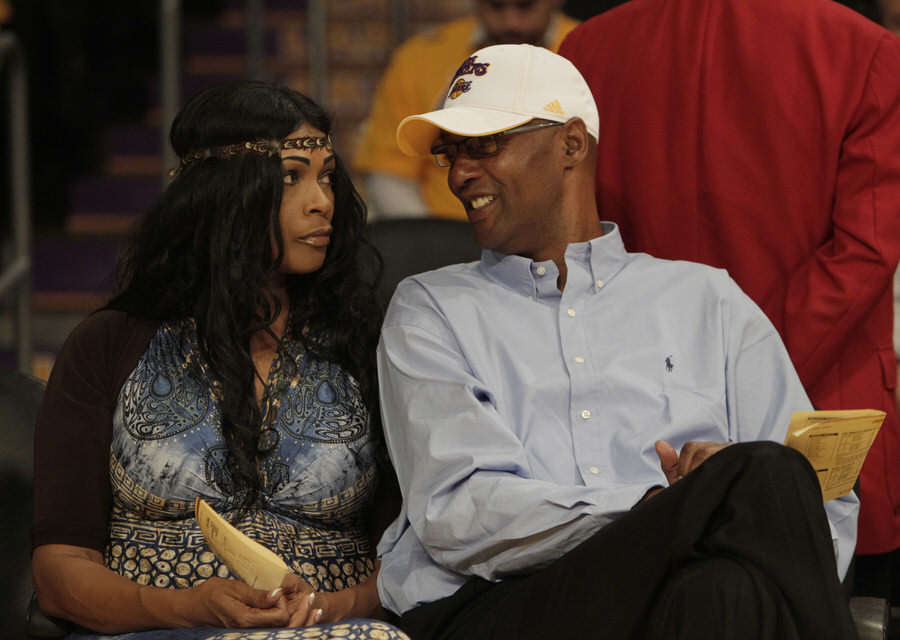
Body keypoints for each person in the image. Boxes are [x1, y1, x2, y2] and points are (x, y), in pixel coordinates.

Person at [375, 44, 860, 640]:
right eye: (450, 154)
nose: (457, 175)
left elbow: (826, 508)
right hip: (498, 606)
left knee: (730, 573)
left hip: (684, 598)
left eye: (484, 146)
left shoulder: (708, 299)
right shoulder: (430, 307)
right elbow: (459, 515)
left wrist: (705, 510)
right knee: (756, 474)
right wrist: (666, 506)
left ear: (572, 144)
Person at [30, 81, 408, 640]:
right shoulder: (108, 344)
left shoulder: (367, 344)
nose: (322, 200)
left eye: (327, 175)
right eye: (291, 177)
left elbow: (412, 556)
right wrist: (190, 606)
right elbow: (60, 572)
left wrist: (330, 607)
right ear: (222, 195)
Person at [557, 0, 900, 607]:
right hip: (817, 408)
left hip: (634, 420)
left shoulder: (588, 49)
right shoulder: (866, 51)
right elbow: (865, 253)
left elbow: (570, 241)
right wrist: (742, 379)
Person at [352, 0, 578, 221]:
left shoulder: (588, 50)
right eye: (450, 154)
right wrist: (433, 246)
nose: (512, 22)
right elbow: (389, 170)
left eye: (526, 5)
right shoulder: (421, 57)